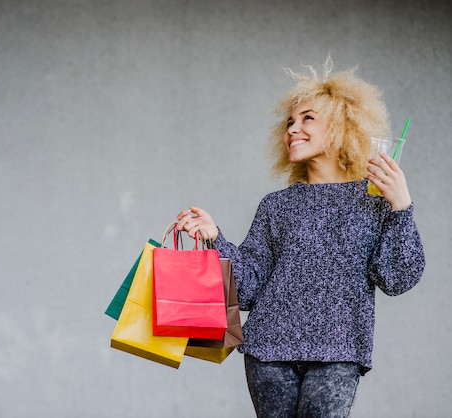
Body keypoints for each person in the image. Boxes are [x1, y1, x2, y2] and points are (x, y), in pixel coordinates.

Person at [176, 57, 425, 418]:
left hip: (339, 351)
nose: (293, 128)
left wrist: (401, 205)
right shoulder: (276, 205)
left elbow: (398, 278)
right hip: (268, 353)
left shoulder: (376, 200)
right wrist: (216, 238)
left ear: (343, 126)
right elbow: (246, 290)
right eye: (290, 121)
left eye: (308, 118)